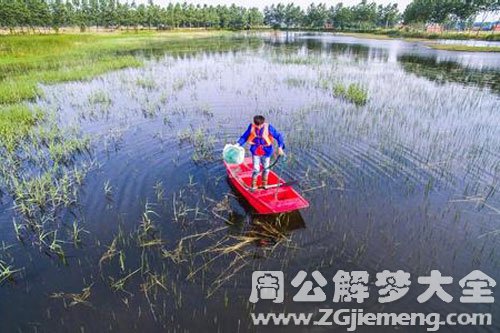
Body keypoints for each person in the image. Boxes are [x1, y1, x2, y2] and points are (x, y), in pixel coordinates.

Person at [237, 115, 285, 190]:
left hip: (266, 151)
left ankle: (264, 184)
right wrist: (238, 144)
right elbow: (244, 136)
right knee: (256, 169)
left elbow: (279, 136)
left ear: (263, 123)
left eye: (260, 125)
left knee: (266, 168)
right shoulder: (251, 127)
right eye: (257, 125)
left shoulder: (269, 127)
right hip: (255, 151)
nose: (259, 127)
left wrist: (280, 147)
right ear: (254, 123)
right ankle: (253, 186)